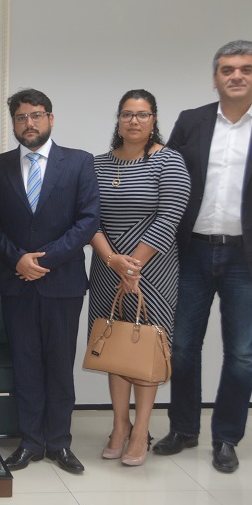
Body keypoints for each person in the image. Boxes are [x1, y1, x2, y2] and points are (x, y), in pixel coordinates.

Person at [153, 40, 252, 473]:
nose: (236, 76)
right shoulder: (191, 121)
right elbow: (170, 175)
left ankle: (227, 437)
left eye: (245, 69)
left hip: (248, 256)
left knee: (242, 353)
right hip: (192, 250)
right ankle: (183, 428)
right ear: (215, 77)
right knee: (182, 347)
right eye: (228, 69)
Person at [0, 89, 99, 474]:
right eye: (21, 117)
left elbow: (87, 221)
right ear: (13, 123)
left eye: (36, 115)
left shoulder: (79, 162)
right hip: (16, 281)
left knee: (60, 365)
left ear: (50, 118)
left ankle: (60, 442)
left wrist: (43, 260)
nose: (29, 123)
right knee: (26, 364)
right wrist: (17, 258)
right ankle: (31, 441)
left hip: (62, 282)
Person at [88, 90, 190, 466]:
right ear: (118, 119)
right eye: (127, 114)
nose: (134, 121)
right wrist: (112, 260)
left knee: (146, 347)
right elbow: (86, 217)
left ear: (153, 119)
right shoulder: (97, 165)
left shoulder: (169, 161)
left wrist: (133, 266)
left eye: (142, 114)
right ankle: (120, 425)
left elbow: (170, 215)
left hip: (154, 270)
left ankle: (141, 429)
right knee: (116, 344)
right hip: (107, 268)